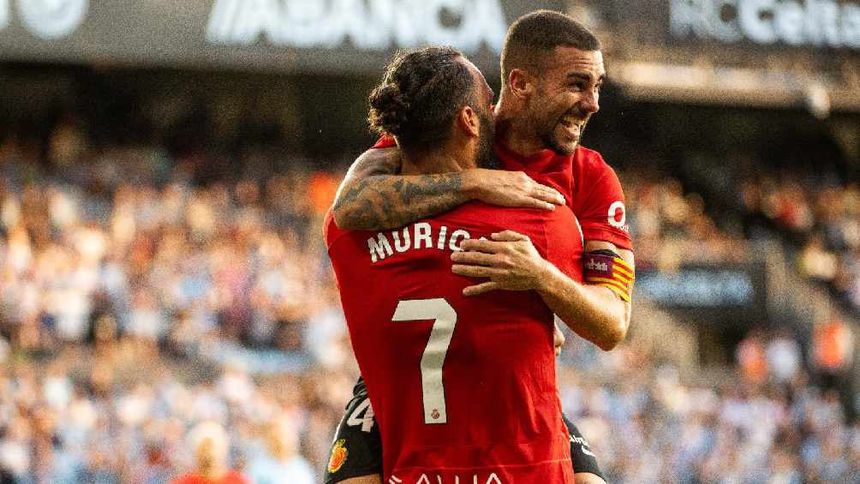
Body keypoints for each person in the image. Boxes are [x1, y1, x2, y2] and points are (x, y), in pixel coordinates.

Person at [326, 10, 632, 484]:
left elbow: (613, 324)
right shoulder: (447, 130)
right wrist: (474, 182)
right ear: (521, 83)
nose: (592, 104)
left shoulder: (591, 178)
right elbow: (349, 206)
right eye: (577, 85)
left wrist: (543, 281)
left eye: (597, 86)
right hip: (401, 385)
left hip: (507, 386)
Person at [172, 421, 247, 484]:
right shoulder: (184, 481)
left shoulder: (237, 481)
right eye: (204, 450)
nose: (208, 455)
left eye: (212, 448)